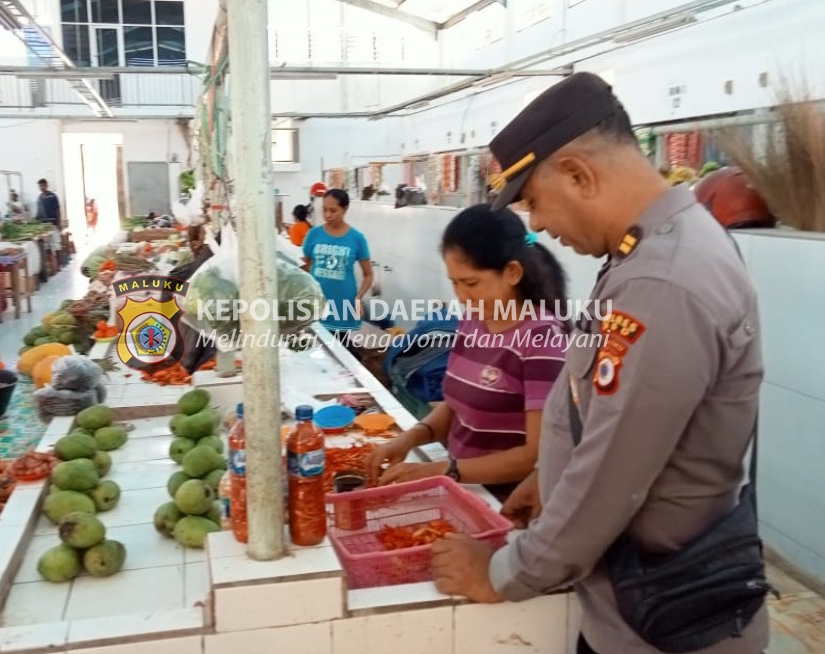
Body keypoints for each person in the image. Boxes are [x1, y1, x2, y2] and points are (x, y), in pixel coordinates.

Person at [430, 72, 770, 654]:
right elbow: (610, 412)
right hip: (638, 604)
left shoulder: (664, 280)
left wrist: (504, 572)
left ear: (578, 174)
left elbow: (614, 473)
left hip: (663, 622)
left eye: (533, 201)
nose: (535, 225)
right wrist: (549, 476)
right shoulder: (649, 254)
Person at [366, 204, 568, 502]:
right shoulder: (473, 321)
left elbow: (535, 455)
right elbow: (455, 406)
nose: (461, 296)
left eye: (471, 283)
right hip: (464, 490)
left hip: (507, 504)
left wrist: (443, 470)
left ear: (512, 272)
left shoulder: (541, 339)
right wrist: (409, 438)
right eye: (454, 283)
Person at [302, 189, 373, 348]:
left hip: (343, 304)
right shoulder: (313, 235)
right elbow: (303, 268)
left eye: (333, 210)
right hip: (317, 304)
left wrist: (358, 297)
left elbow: (368, 274)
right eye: (324, 210)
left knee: (340, 349)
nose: (328, 215)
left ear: (345, 209)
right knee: (315, 349)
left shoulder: (356, 238)